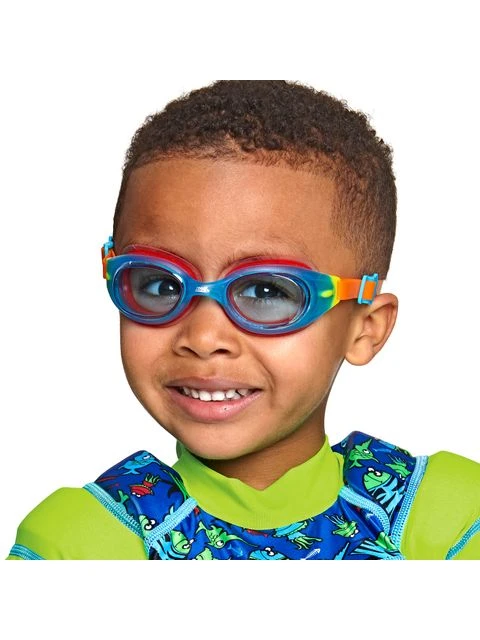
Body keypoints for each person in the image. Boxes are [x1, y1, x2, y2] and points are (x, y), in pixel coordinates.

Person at [7, 80, 479, 560]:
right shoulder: (80, 543)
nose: (203, 337)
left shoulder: (444, 516)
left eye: (266, 292)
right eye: (161, 284)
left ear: (366, 328)